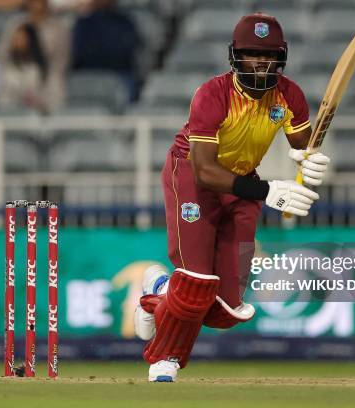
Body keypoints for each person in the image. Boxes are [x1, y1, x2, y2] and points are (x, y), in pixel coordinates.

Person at [133, 13, 331, 382]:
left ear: (281, 57)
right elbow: (206, 170)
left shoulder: (289, 95)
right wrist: (269, 190)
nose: (261, 62)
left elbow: (304, 147)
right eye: (252, 54)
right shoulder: (212, 94)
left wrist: (312, 161)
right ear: (235, 56)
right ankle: (167, 359)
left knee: (226, 309)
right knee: (195, 284)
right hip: (192, 175)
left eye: (269, 55)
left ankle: (157, 291)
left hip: (242, 180)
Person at [0, 0, 69, 113]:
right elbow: (2, 54)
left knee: (54, 85)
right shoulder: (15, 24)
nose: (37, 4)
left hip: (47, 75)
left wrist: (45, 77)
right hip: (17, 70)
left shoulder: (58, 28)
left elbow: (62, 60)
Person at [70, 0, 141, 101]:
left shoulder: (125, 22)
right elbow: (79, 53)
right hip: (87, 74)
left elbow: (128, 51)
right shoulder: (84, 23)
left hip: (119, 74)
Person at [0, 23, 47, 113]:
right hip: (5, 112)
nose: (16, 42)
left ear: (29, 42)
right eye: (15, 38)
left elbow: (32, 94)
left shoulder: (34, 68)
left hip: (27, 114)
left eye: (21, 39)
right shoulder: (3, 64)